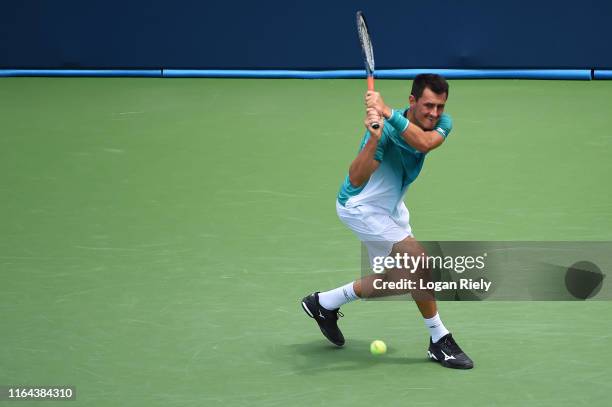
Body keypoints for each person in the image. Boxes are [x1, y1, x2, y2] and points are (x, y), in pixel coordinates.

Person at [301, 73, 473, 369]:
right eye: (428, 105)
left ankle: (324, 303)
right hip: (361, 207)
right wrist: (374, 139)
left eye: (440, 107)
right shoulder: (383, 132)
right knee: (419, 262)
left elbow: (424, 144)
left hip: (391, 209)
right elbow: (356, 177)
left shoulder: (442, 124)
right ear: (412, 101)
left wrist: (387, 112)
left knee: (400, 279)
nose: (434, 113)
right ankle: (439, 339)